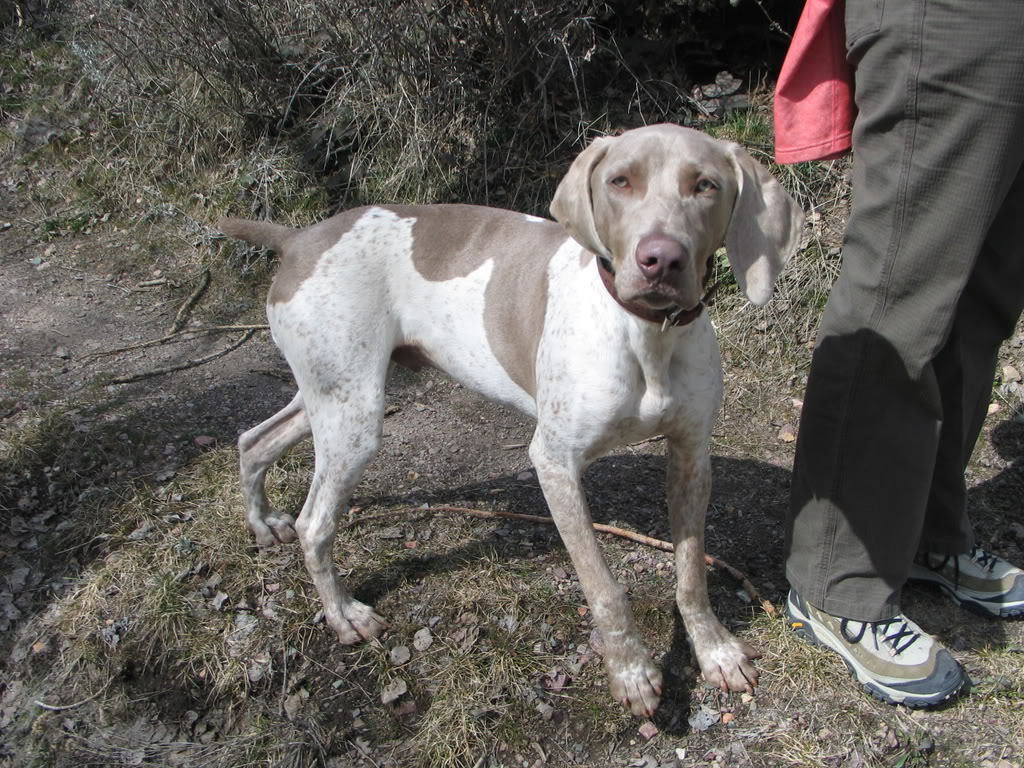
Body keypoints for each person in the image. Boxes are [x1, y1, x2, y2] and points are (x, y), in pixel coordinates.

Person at [773, 0, 1024, 707]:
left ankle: (924, 533)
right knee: (900, 295)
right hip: (954, 20)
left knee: (982, 297)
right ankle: (835, 580)